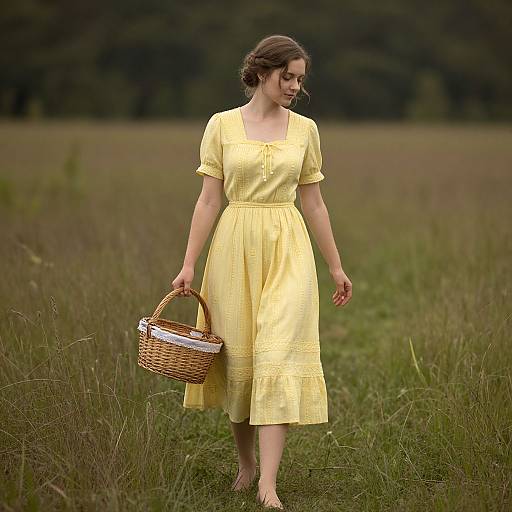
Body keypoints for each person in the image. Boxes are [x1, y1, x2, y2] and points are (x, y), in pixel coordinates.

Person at [171, 34, 352, 510]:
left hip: (288, 246)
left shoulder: (305, 130)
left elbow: (313, 203)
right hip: (235, 245)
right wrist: (189, 263)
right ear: (261, 72)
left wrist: (335, 267)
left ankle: (268, 484)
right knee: (243, 359)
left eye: (299, 79)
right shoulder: (222, 126)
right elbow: (210, 198)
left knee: (278, 354)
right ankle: (246, 465)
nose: (294, 86)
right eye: (286, 76)